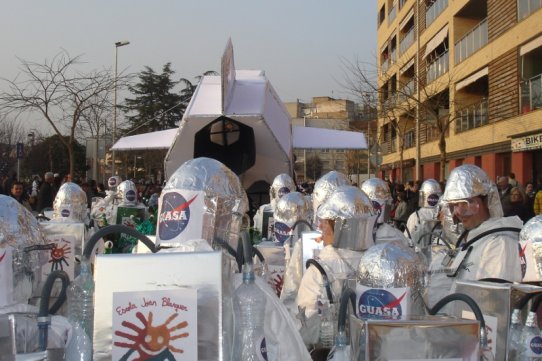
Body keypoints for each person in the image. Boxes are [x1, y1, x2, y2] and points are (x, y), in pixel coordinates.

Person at [439, 165, 522, 283]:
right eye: (454, 205)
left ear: (487, 201)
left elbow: (491, 297)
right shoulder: (472, 237)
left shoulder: (499, 243)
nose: (458, 212)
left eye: (465, 204)